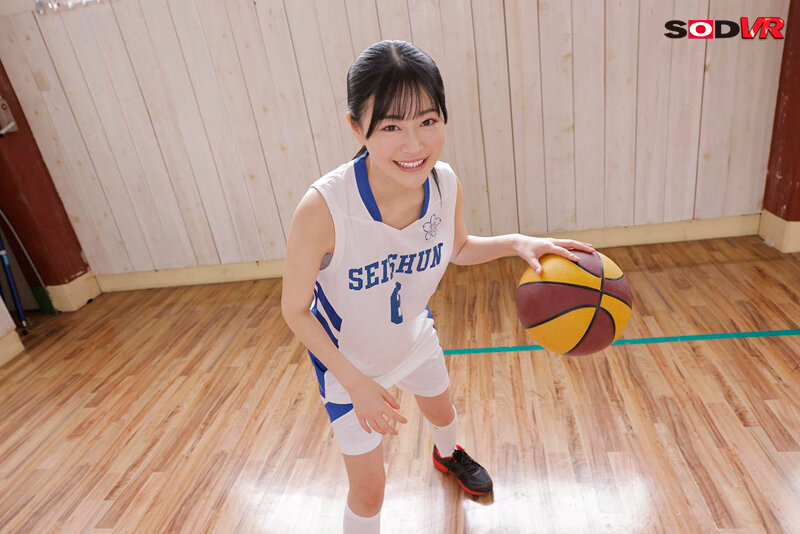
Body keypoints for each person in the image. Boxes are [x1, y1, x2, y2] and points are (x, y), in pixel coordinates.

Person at [281, 40, 594, 534]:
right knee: (370, 491)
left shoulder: (445, 183)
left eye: (428, 121)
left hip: (413, 336)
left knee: (442, 410)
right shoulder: (323, 208)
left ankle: (448, 455)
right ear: (356, 127)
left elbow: (458, 247)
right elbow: (295, 310)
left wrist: (516, 242)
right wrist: (357, 383)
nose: (414, 146)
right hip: (347, 366)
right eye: (391, 127)